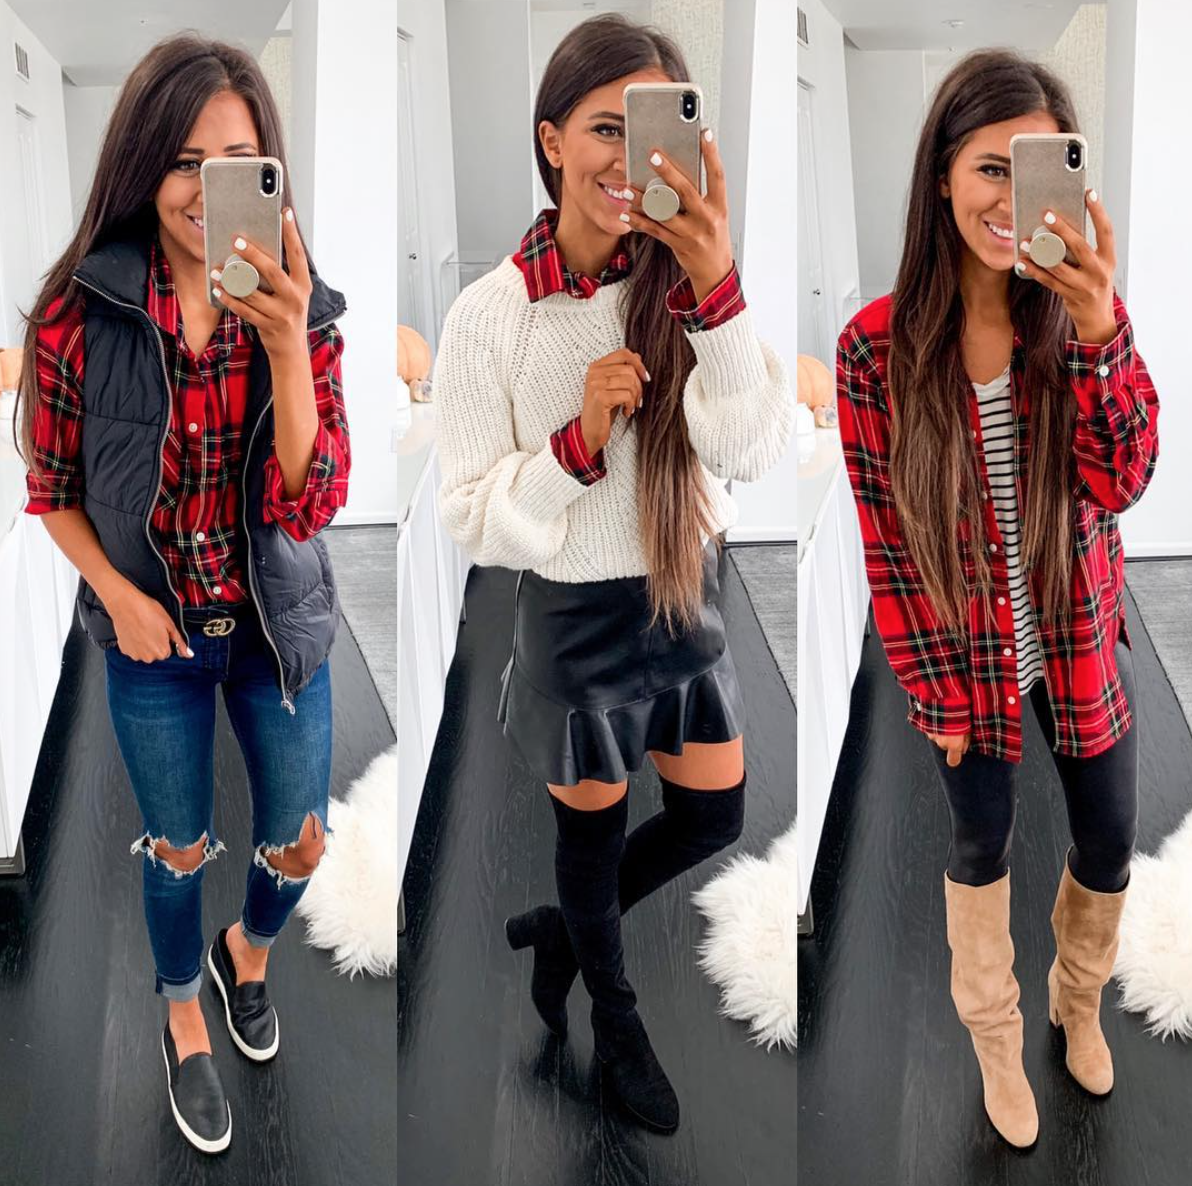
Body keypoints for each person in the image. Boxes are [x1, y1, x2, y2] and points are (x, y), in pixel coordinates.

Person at [433, 14, 792, 1135]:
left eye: (649, 130)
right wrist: (577, 446)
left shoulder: (688, 281)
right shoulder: (488, 317)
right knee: (587, 838)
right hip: (575, 620)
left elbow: (750, 450)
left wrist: (717, 280)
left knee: (715, 812)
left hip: (681, 590)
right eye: (604, 128)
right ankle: (615, 1012)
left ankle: (565, 930)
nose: (626, 159)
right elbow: (469, 519)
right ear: (551, 141)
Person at [14, 34, 349, 1154]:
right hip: (150, 637)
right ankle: (180, 1013)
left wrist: (289, 344)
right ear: (143, 165)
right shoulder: (77, 313)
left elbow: (310, 500)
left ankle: (244, 954)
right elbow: (52, 489)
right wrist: (117, 595)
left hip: (274, 627)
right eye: (185, 162)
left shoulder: (307, 311)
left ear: (270, 171)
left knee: (299, 841)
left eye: (237, 162)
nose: (209, 188)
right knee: (177, 844)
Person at [836, 50, 1159, 1148]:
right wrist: (931, 693)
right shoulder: (872, 348)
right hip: (961, 657)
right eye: (989, 168)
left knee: (1108, 835)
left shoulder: (1076, 318)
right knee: (981, 846)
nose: (1009, 201)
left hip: (1077, 634)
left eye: (1036, 171)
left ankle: (1078, 1000)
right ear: (941, 177)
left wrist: (1101, 327)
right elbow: (887, 545)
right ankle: (992, 1036)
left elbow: (1125, 480)